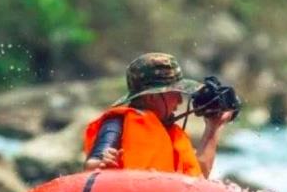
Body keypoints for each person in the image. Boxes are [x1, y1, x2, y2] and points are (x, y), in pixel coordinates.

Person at [83, 53, 236, 177]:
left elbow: (198, 179)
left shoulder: (171, 134)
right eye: (174, 93)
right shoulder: (117, 122)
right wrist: (101, 163)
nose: (179, 100)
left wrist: (213, 127)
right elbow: (93, 163)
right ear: (151, 96)